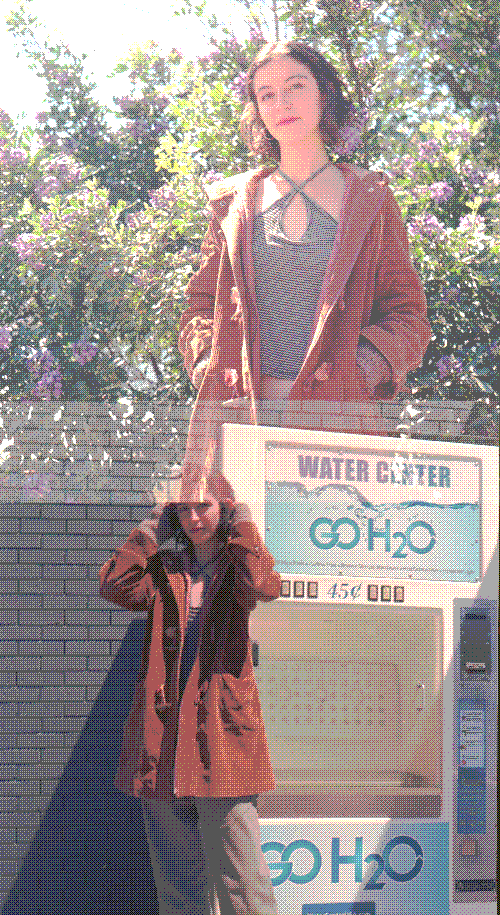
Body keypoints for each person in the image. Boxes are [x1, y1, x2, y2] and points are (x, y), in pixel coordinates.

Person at [177, 38, 432, 481]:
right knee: (240, 549)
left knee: (328, 548)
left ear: (324, 94)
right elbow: (200, 307)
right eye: (266, 94)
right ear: (256, 109)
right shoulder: (232, 204)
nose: (281, 103)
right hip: (240, 425)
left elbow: (408, 315)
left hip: (337, 429)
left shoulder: (370, 198)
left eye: (295, 86)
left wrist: (361, 370)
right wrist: (207, 367)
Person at [99, 463, 281, 915]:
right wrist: (148, 533)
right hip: (164, 738)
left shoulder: (237, 564)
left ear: (224, 507)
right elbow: (114, 585)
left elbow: (263, 584)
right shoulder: (166, 569)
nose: (195, 518)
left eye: (205, 506)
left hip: (221, 733)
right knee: (177, 879)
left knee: (242, 874)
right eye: (184, 509)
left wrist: (243, 525)